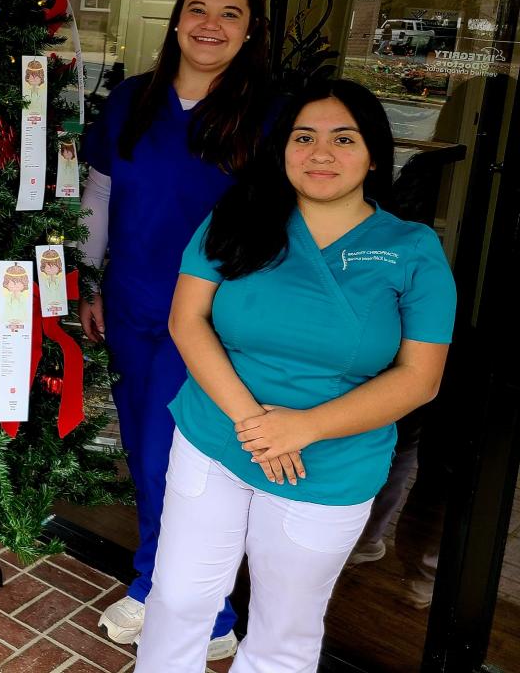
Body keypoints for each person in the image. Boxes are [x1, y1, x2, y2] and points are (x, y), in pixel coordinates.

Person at [135, 79, 456, 672]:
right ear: (282, 148)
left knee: (285, 630)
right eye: (303, 137)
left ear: (376, 155)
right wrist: (255, 424)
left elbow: (420, 377)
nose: (320, 153)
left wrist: (305, 428)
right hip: (215, 438)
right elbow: (188, 320)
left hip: (330, 466)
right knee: (179, 600)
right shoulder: (239, 215)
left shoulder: (411, 248)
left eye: (343, 138)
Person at [81, 0, 273, 654]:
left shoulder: (267, 114)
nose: (211, 25)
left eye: (230, 13)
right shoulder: (134, 98)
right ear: (176, 20)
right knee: (140, 447)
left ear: (250, 33)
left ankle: (203, 612)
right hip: (132, 303)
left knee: (180, 461)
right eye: (198, 9)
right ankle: (160, 585)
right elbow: (99, 196)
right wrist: (88, 280)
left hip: (213, 321)